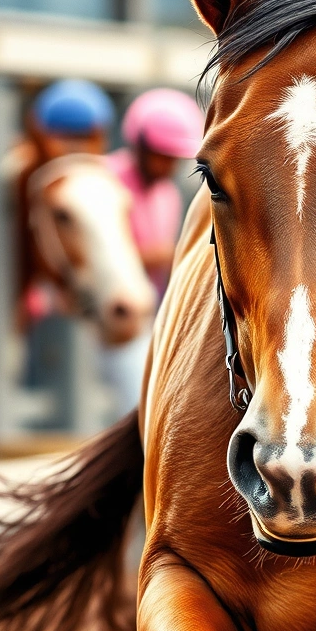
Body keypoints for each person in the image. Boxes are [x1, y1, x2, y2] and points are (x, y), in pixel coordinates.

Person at [99, 87, 203, 414]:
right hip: (110, 320)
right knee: (139, 406)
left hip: (150, 316)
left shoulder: (167, 194)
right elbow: (97, 254)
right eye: (160, 154)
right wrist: (156, 255)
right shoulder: (106, 179)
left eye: (173, 157)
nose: (167, 165)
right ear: (139, 145)